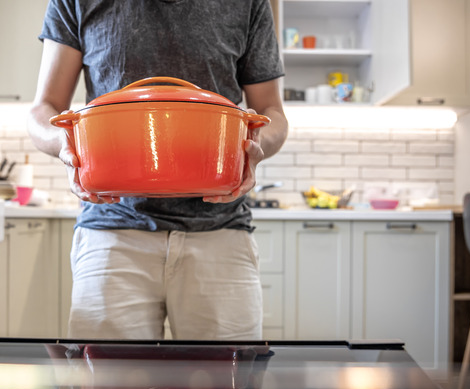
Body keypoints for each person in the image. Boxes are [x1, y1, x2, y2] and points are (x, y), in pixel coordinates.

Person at [27, 0, 288, 341]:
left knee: (228, 385)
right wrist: (67, 144)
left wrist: (253, 149)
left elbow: (271, 112)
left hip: (220, 235)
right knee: (107, 387)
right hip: (112, 234)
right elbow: (43, 109)